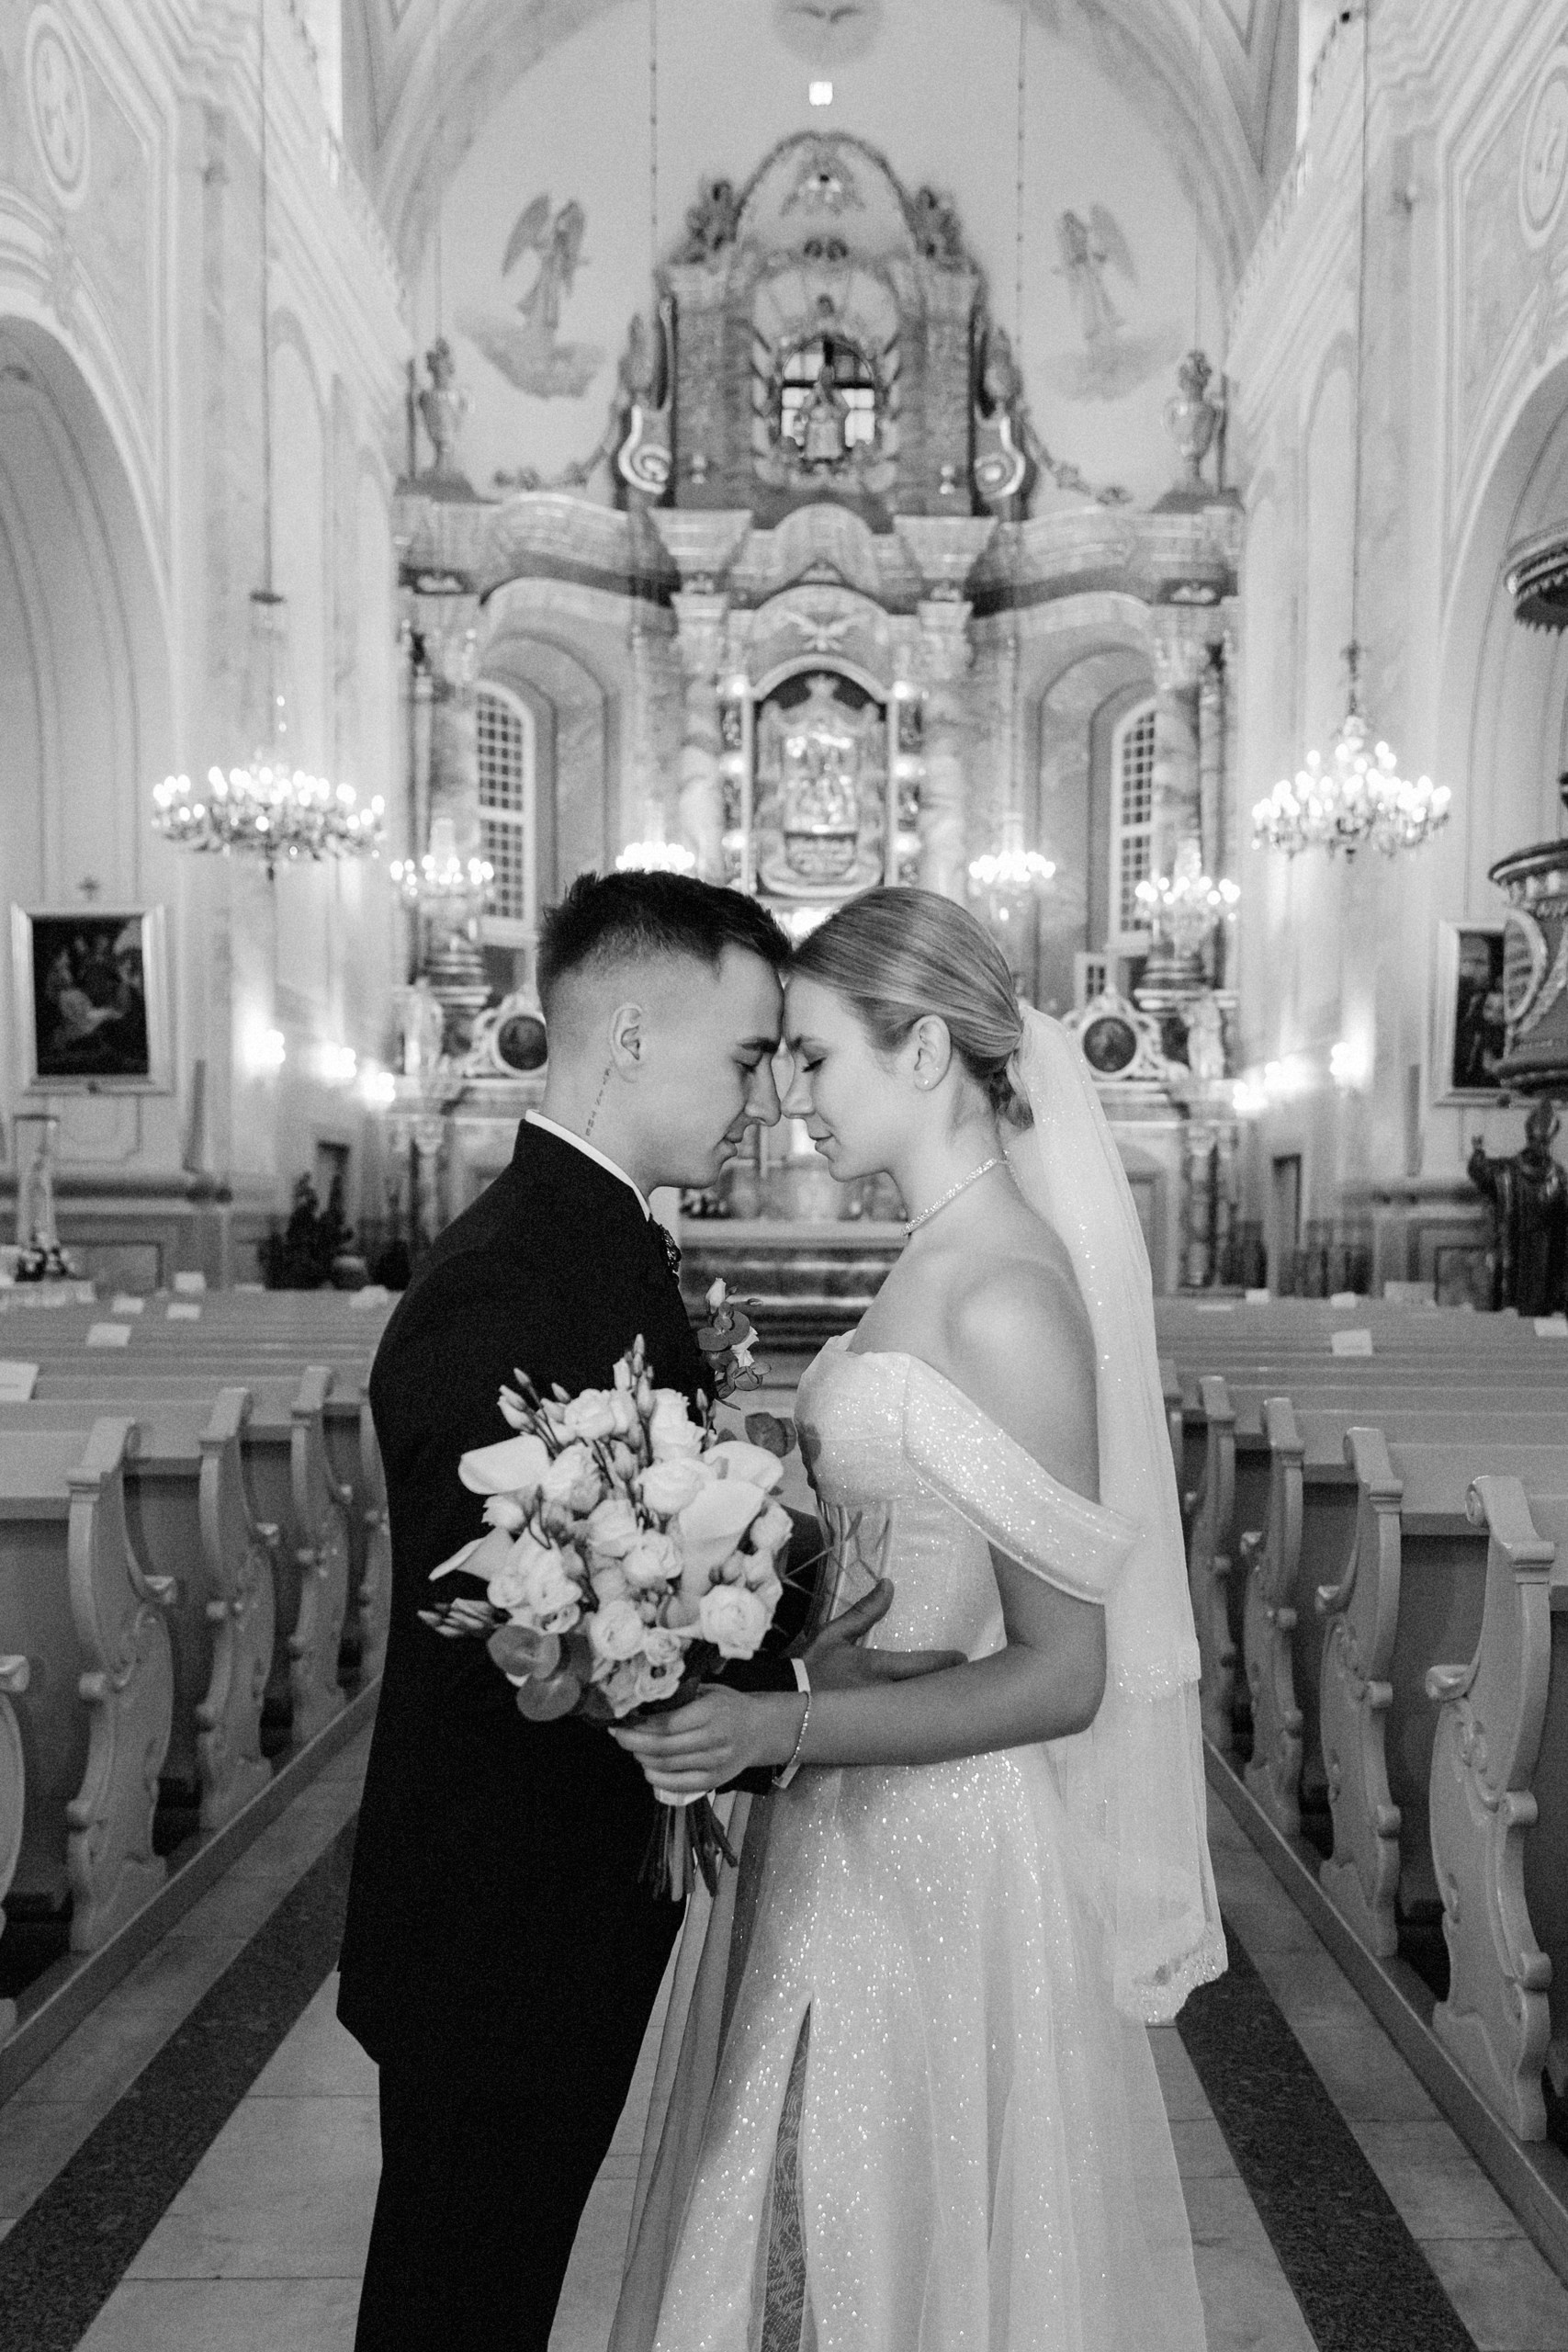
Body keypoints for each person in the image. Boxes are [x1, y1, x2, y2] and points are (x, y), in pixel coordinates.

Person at [338, 869, 959, 2351]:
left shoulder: (589, 1244)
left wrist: (781, 1633)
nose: (765, 1102)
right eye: (746, 1057)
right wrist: (788, 1705)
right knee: (453, 2304)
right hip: (499, 1921)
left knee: (483, 2289)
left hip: (548, 1905)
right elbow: (516, 1636)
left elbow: (641, 1542)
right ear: (629, 1038)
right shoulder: (507, 1282)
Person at [614, 887, 1225, 2352]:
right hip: (849, 1809)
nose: (790, 1098)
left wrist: (782, 1722)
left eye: (816, 1057)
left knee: (866, 2241)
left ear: (928, 1051)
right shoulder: (935, 1256)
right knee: (800, 2235)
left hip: (942, 1852)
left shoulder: (1005, 1292)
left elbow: (1062, 1673)